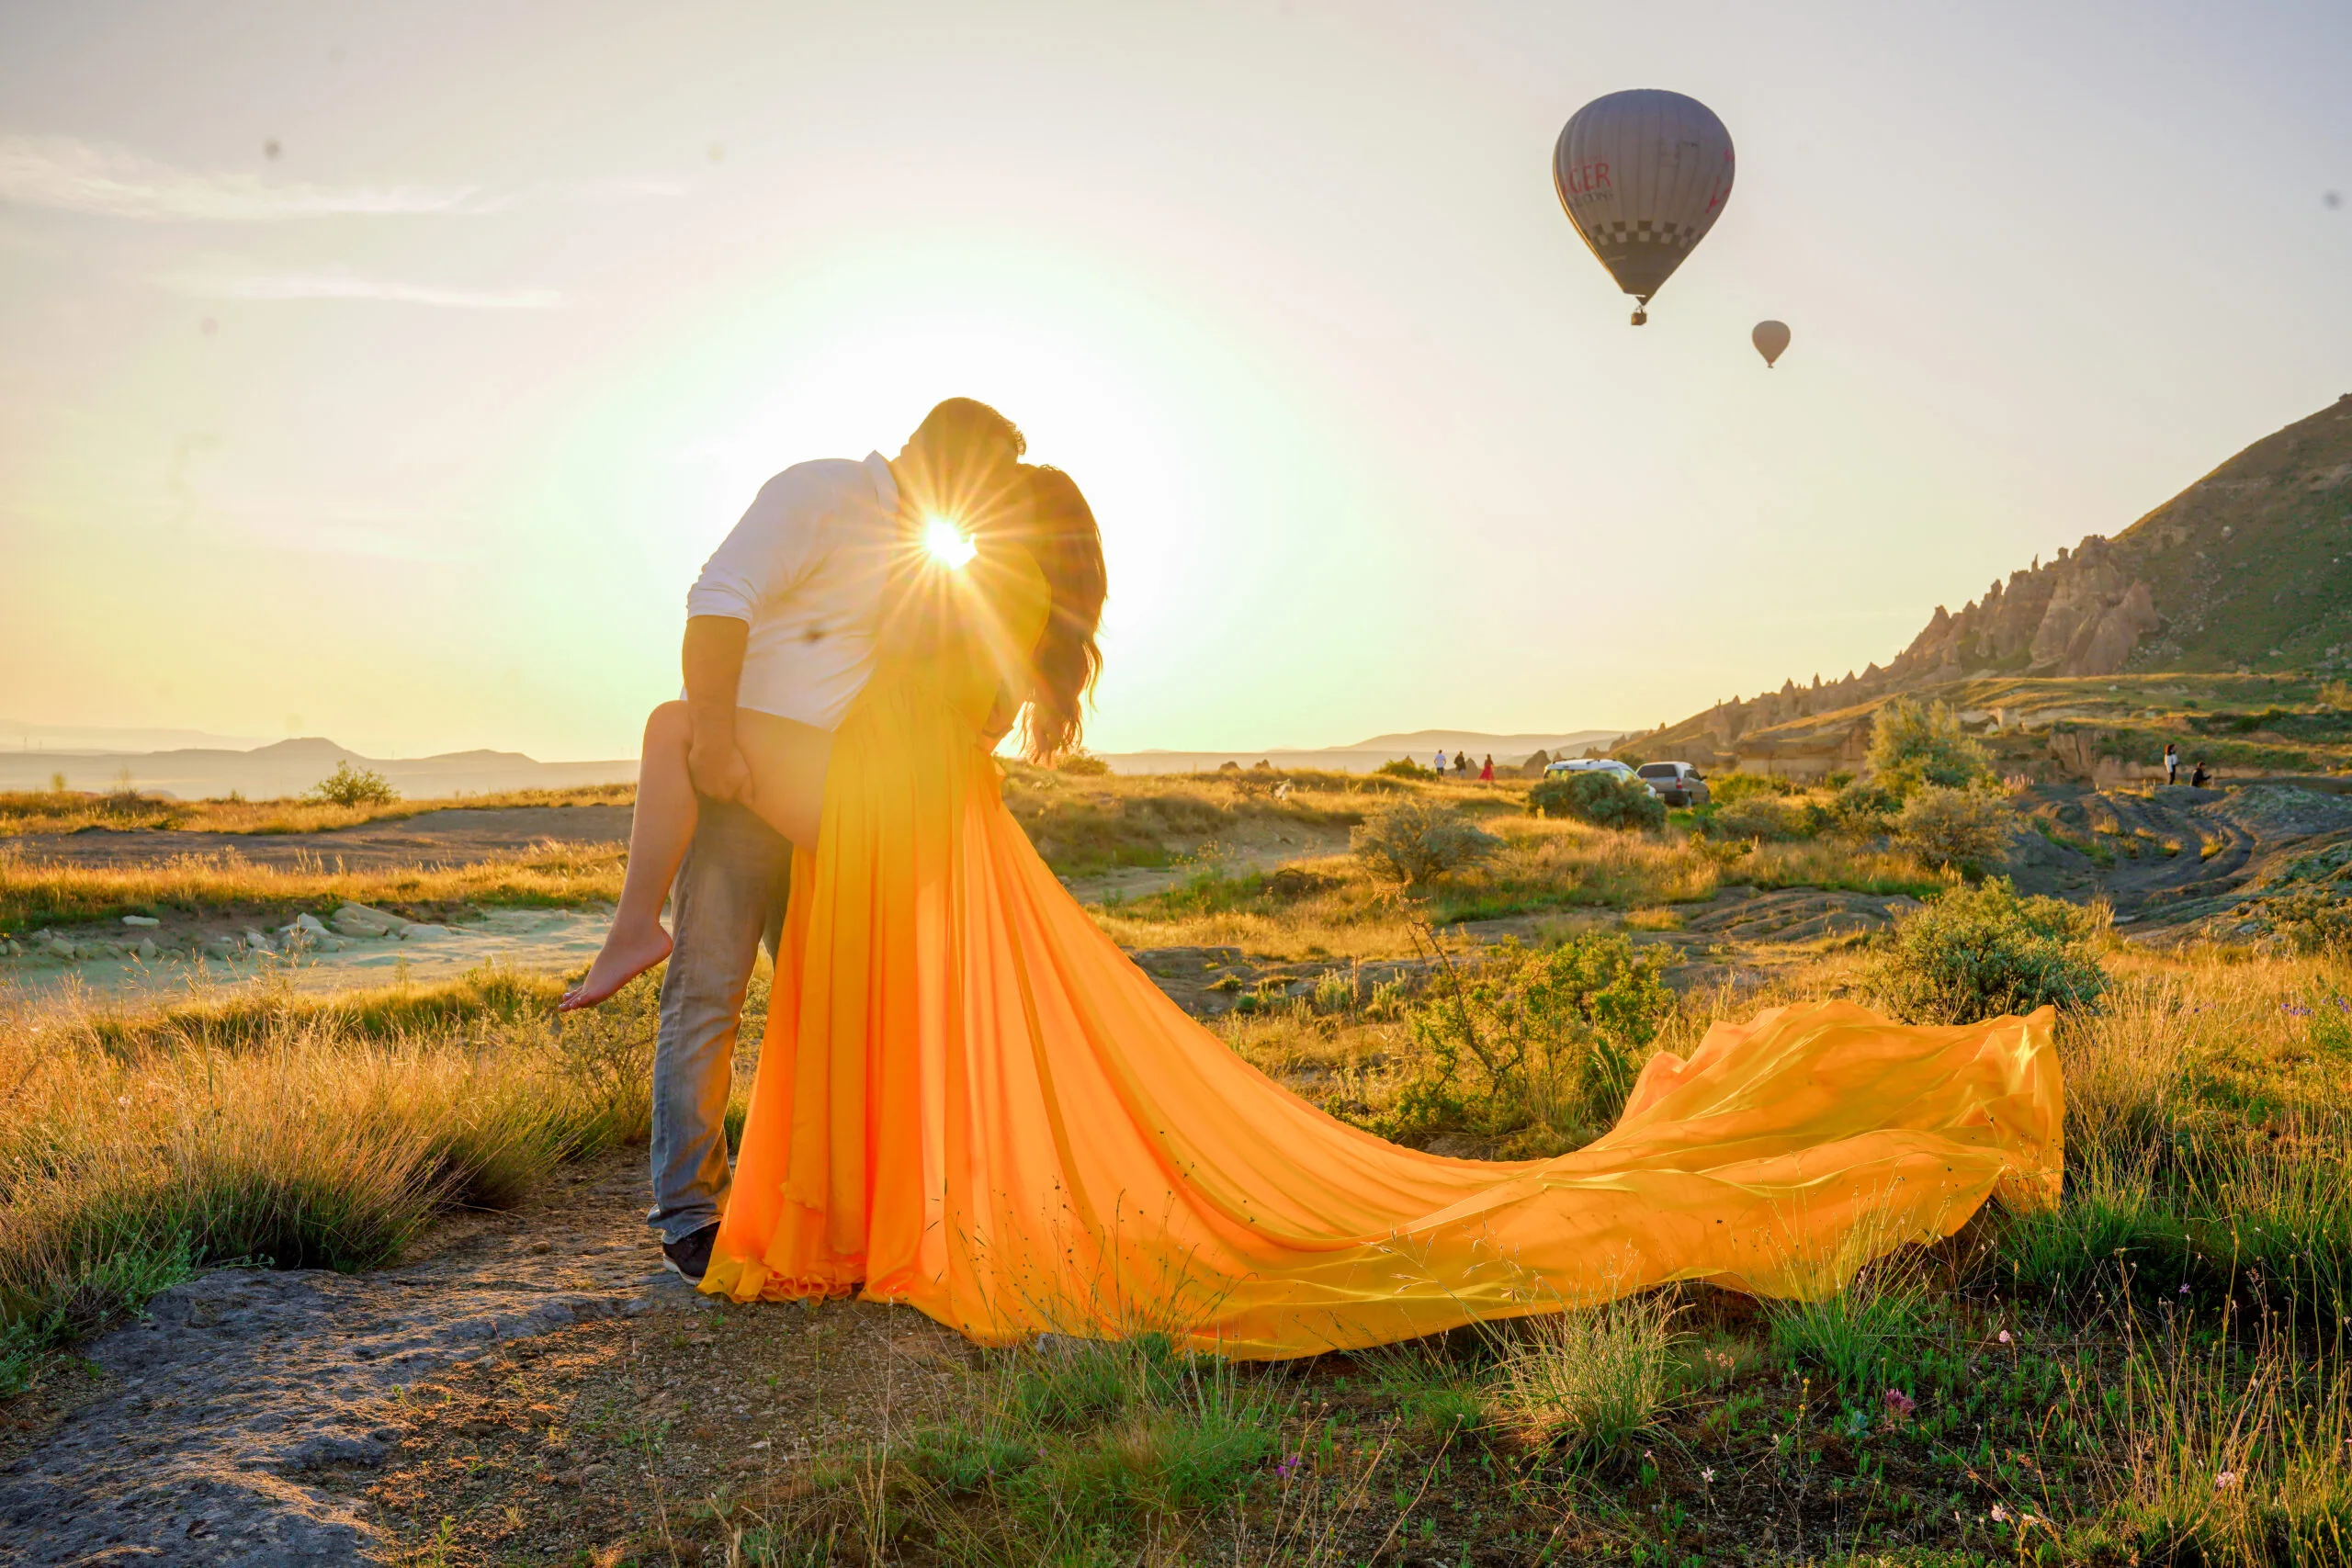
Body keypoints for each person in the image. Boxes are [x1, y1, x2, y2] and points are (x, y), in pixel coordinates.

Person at [680, 462, 2060, 1358]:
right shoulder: (999, 650)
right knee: (943, 1030)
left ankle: (835, 1222)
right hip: (922, 827)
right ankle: (857, 1221)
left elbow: (821, 668)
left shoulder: (931, 608)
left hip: (883, 819)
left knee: (875, 1014)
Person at [560, 398, 1028, 1283]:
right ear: (947, 465)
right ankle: (691, 1214)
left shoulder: (923, 554)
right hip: (744, 790)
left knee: (833, 1012)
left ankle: (837, 1208)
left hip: (831, 809)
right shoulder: (825, 494)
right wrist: (716, 741)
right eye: (985, 486)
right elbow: (718, 596)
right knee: (708, 996)